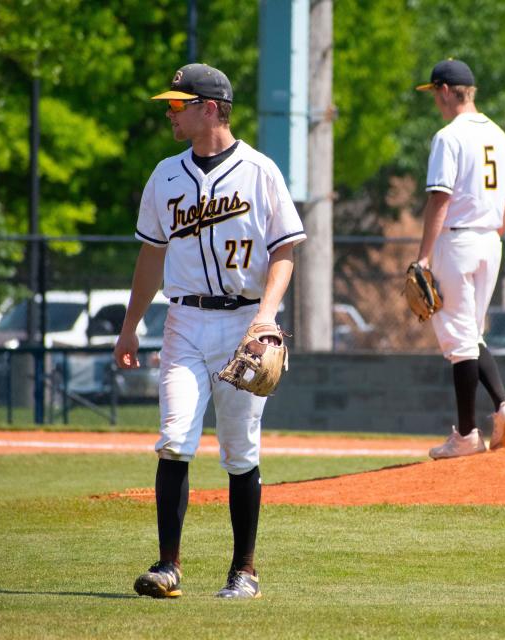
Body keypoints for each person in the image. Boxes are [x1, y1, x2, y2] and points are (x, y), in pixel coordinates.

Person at [113, 63, 305, 600]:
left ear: (211, 108)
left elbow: (284, 251)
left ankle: (244, 570)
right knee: (174, 440)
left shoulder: (260, 171)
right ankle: (167, 565)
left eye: (179, 103)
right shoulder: (165, 176)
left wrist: (266, 318)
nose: (170, 112)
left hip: (244, 322)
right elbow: (151, 257)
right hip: (184, 323)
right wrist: (131, 327)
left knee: (240, 451)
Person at [412, 58, 505, 460]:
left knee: (460, 343)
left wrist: (423, 257)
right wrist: (493, 236)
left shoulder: (449, 136)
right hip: (491, 242)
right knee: (470, 334)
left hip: (457, 242)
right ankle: (503, 406)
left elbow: (439, 198)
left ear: (444, 90)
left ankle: (465, 436)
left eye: (434, 94)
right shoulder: (500, 134)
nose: (435, 102)